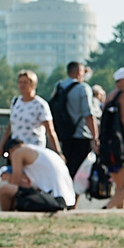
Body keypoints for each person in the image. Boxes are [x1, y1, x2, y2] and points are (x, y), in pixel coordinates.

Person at [49, 61, 96, 193]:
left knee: (66, 168)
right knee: (79, 172)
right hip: (81, 135)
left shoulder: (59, 86)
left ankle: (63, 195)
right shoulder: (83, 88)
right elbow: (88, 115)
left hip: (63, 135)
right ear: (79, 72)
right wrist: (95, 137)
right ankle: (72, 201)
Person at [97, 67, 124, 208]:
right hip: (122, 145)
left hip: (108, 146)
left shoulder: (110, 96)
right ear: (122, 81)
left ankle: (121, 215)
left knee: (120, 187)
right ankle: (105, 210)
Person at [0, 139, 74, 212]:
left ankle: (7, 217)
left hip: (53, 199)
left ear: (11, 150)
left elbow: (15, 184)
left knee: (5, 190)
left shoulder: (18, 152)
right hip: (67, 200)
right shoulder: (40, 151)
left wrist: (10, 178)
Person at [4, 69, 58, 157]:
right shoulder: (16, 102)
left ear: (33, 84)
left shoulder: (40, 104)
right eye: (20, 82)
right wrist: (1, 146)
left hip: (34, 148)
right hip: (16, 148)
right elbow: (10, 126)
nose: (22, 85)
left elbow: (50, 131)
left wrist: (57, 151)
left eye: (25, 82)